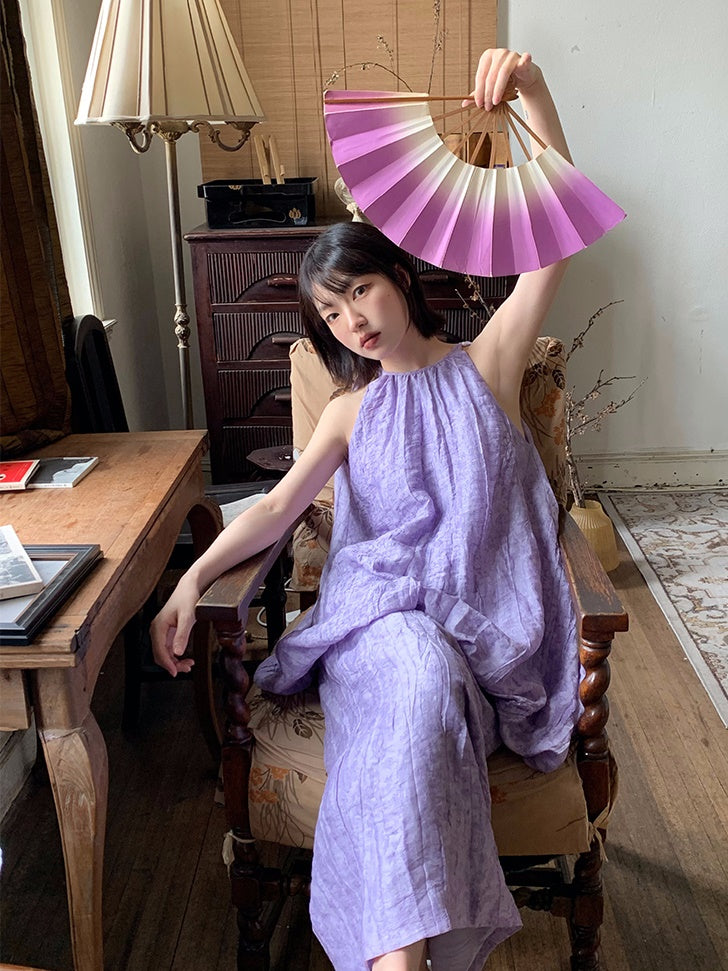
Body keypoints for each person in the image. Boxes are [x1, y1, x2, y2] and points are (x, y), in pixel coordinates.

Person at [152, 48, 581, 971]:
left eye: (360, 290)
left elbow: (557, 231)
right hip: (373, 627)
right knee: (412, 679)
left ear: (399, 277)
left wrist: (534, 94)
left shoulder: (488, 364)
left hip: (477, 636)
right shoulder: (350, 411)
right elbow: (276, 507)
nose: (352, 320)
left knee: (423, 704)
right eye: (332, 312)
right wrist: (189, 580)